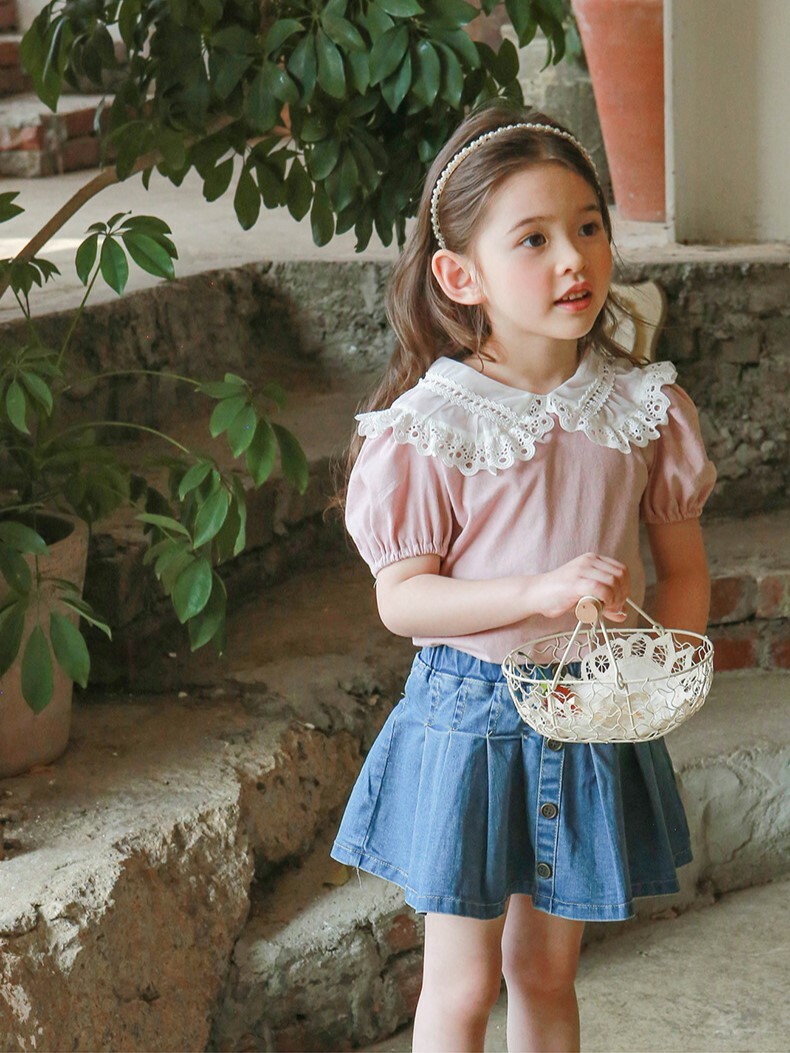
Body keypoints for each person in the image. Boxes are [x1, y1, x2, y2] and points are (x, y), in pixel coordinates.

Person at [328, 103, 717, 1053]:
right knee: (462, 983)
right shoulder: (430, 425)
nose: (573, 258)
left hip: (590, 716)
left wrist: (654, 676)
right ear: (461, 275)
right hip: (470, 721)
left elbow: (684, 573)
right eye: (534, 239)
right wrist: (536, 591)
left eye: (588, 226)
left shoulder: (643, 408)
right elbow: (402, 599)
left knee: (545, 973)